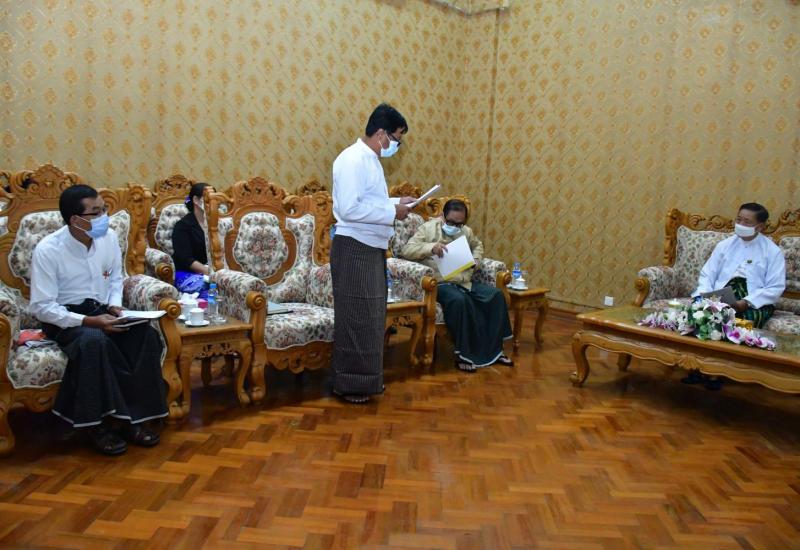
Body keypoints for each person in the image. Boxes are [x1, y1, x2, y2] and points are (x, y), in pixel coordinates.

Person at [29, 185, 167, 455]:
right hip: (66, 318)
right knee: (94, 341)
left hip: (102, 310)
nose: (105, 217)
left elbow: (115, 279)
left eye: (104, 209)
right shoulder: (48, 250)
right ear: (75, 219)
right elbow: (42, 307)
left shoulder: (108, 238)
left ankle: (133, 419)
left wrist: (115, 306)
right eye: (96, 212)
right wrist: (90, 322)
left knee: (146, 335)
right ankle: (98, 426)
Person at [330, 103, 415, 404]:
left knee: (371, 315)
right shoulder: (352, 159)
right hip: (354, 246)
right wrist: (392, 211)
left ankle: (367, 381)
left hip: (370, 246)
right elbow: (349, 209)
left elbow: (369, 202)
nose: (396, 145)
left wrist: (395, 202)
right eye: (396, 138)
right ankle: (350, 385)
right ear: (381, 134)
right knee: (356, 316)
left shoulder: (370, 160)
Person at [402, 199, 513, 372]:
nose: (454, 226)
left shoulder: (466, 231)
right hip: (440, 283)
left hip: (463, 280)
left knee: (496, 295)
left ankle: (495, 351)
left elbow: (478, 245)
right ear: (442, 216)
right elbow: (407, 250)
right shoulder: (427, 229)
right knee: (460, 301)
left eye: (459, 223)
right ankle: (464, 355)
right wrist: (430, 248)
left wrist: (476, 259)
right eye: (451, 222)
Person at [685, 202, 786, 389]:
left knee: (736, 322)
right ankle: (696, 367)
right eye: (739, 219)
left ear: (760, 227)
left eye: (747, 222)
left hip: (754, 301)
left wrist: (746, 302)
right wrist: (704, 295)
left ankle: (717, 373)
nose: (740, 224)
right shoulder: (724, 245)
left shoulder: (772, 251)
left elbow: (775, 286)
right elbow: (707, 274)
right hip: (722, 294)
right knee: (700, 313)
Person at [172, 182, 211, 299]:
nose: (213, 203)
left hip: (212, 272)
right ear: (196, 200)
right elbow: (185, 259)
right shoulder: (182, 226)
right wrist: (210, 273)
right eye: (208, 198)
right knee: (210, 288)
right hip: (187, 272)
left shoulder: (217, 224)